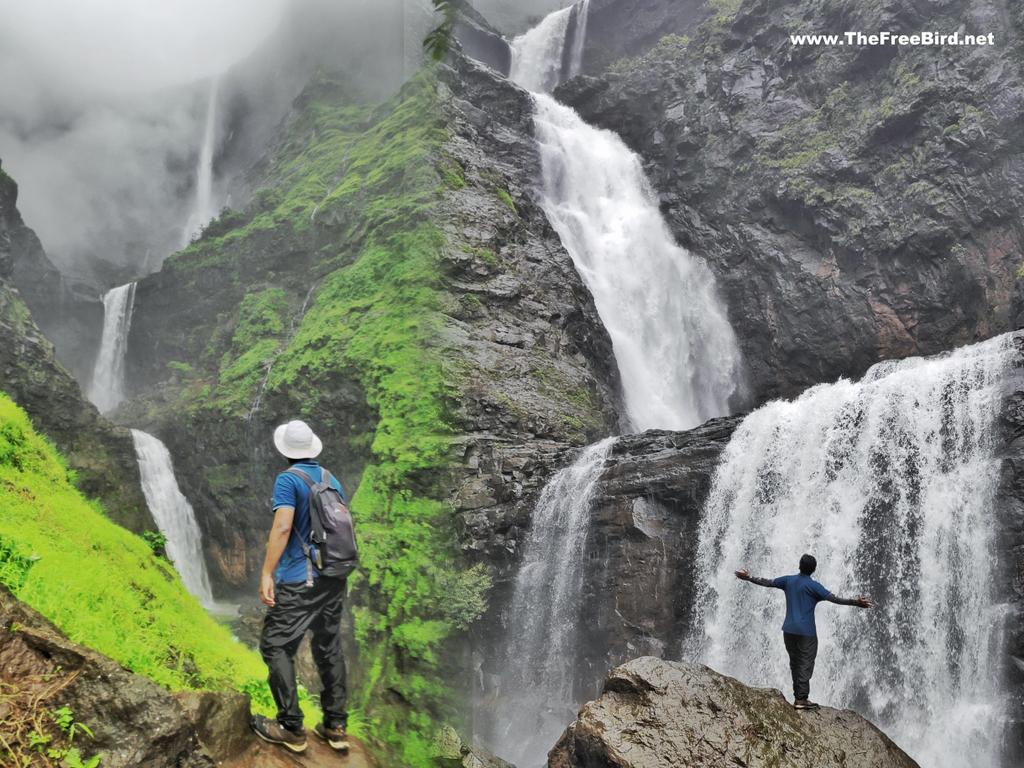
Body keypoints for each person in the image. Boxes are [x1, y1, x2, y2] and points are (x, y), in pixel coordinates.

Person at [250, 419, 352, 754]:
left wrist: (267, 573)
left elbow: (282, 527)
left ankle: (290, 727)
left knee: (275, 645)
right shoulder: (330, 478)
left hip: (300, 579)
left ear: (285, 451)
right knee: (328, 646)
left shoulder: (287, 479)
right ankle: (335, 726)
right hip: (334, 576)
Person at [735, 553, 874, 710]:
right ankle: (802, 699)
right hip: (806, 633)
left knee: (795, 663)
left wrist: (748, 577)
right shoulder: (814, 586)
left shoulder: (788, 580)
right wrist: (856, 602)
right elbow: (834, 599)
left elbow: (768, 582)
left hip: (788, 630)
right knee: (806, 663)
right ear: (814, 569)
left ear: (799, 565)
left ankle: (798, 697)